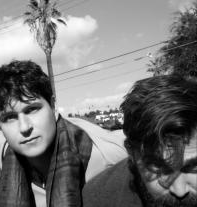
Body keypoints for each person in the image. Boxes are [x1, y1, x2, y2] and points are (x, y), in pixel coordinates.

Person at [0, 60, 126, 207]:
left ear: (52, 106)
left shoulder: (108, 159)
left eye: (32, 110)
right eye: (9, 118)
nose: (24, 128)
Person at [82, 75, 197, 207]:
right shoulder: (97, 199)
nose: (180, 190)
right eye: (158, 168)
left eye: (193, 166)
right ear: (132, 153)